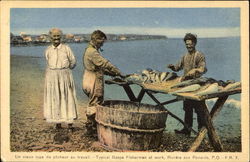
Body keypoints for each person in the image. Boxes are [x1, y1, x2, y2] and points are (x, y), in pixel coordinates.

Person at [82, 30, 122, 136]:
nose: (102, 44)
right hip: (93, 79)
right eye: (101, 42)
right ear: (95, 40)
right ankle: (91, 129)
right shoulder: (93, 52)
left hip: (88, 77)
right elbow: (105, 64)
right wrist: (118, 72)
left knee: (93, 102)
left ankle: (92, 127)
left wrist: (112, 74)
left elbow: (99, 67)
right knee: (95, 102)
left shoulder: (89, 50)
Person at [167, 33, 207, 136]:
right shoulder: (184, 56)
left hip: (197, 86)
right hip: (186, 86)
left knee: (199, 110)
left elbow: (203, 69)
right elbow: (178, 67)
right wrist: (172, 67)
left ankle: (201, 131)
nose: (189, 46)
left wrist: (195, 71)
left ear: (195, 43)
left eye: (190, 44)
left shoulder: (199, 55)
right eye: (187, 44)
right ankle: (187, 130)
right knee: (187, 109)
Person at [43, 28, 78, 132]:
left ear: (61, 37)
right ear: (50, 38)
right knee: (55, 97)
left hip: (65, 74)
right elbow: (48, 61)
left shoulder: (66, 48)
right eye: (54, 36)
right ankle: (57, 122)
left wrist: (65, 70)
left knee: (67, 97)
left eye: (58, 36)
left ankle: (70, 124)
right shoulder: (48, 50)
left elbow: (73, 62)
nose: (56, 38)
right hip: (52, 76)